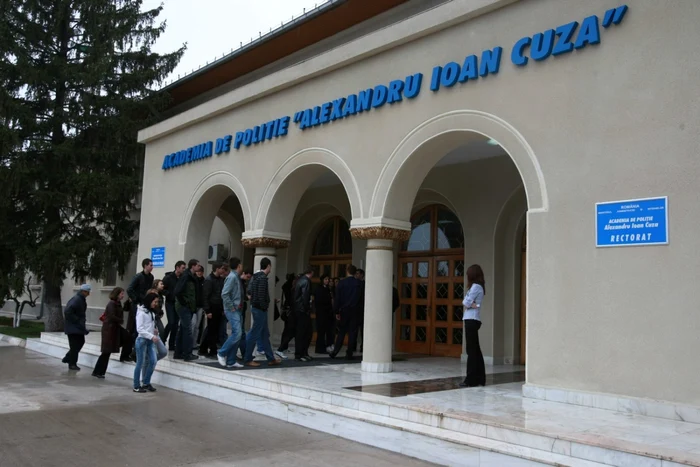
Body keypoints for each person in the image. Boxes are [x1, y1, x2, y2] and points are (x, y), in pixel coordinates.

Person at [243, 258, 281, 367]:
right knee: (254, 333)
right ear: (268, 266)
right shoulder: (262, 278)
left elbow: (250, 291)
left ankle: (271, 358)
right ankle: (248, 358)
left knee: (264, 334)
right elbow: (260, 295)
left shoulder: (255, 277)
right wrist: (265, 306)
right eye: (270, 266)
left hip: (257, 308)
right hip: (260, 309)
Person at [93, 287, 131, 378]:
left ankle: (99, 371)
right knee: (106, 352)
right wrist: (120, 320)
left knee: (127, 337)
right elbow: (111, 316)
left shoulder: (118, 303)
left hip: (115, 329)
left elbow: (122, 311)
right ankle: (98, 371)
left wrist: (128, 302)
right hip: (109, 330)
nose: (123, 295)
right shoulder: (111, 304)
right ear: (117, 294)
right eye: (121, 293)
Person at [330, 265, 364, 360]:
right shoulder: (359, 284)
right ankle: (349, 353)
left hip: (344, 311)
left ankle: (335, 351)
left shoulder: (342, 283)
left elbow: (338, 298)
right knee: (352, 332)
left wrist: (336, 311)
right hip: (355, 311)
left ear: (347, 271)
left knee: (342, 332)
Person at [460, 264, 486, 388]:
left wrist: (470, 303)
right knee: (475, 350)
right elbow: (467, 302)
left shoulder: (475, 287)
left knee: (471, 351)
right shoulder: (478, 287)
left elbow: (465, 302)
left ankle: (470, 379)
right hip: (473, 319)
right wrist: (470, 303)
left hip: (471, 320)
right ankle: (480, 378)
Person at [217, 258, 245, 368]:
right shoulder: (232, 277)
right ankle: (221, 353)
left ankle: (231, 360)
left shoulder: (236, 277)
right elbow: (224, 294)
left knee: (237, 334)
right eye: (241, 265)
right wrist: (231, 307)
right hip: (233, 309)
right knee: (237, 333)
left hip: (238, 309)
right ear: (238, 266)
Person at [133, 293, 161, 393]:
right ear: (150, 301)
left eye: (157, 302)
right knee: (140, 363)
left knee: (153, 360)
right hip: (142, 340)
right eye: (155, 302)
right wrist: (151, 336)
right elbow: (139, 329)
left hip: (150, 340)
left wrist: (154, 330)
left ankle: (146, 382)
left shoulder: (151, 312)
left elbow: (148, 325)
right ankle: (136, 385)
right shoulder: (141, 312)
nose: (156, 304)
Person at [174, 259, 200, 361]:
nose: (199, 267)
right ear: (193, 266)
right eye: (197, 265)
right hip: (184, 307)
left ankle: (178, 352)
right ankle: (187, 354)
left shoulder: (191, 277)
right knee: (188, 330)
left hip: (187, 307)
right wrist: (185, 303)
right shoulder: (186, 277)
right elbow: (177, 291)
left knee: (182, 330)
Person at [201, 262, 227, 357]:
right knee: (212, 330)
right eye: (222, 268)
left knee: (213, 329)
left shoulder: (220, 280)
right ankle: (212, 350)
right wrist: (207, 310)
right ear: (217, 269)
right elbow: (205, 296)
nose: (223, 270)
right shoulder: (209, 280)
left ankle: (203, 348)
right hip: (212, 307)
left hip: (218, 306)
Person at [62, 284, 91, 370]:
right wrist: (77, 320)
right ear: (83, 291)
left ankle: (68, 358)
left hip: (77, 327)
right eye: (87, 292)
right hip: (73, 327)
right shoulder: (77, 299)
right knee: (75, 346)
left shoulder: (80, 299)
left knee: (80, 342)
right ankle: (72, 364)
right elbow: (68, 312)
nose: (88, 294)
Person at [162, 261, 186, 350]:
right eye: (183, 268)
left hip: (178, 303)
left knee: (176, 324)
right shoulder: (168, 278)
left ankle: (172, 344)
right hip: (170, 303)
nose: (184, 270)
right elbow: (162, 289)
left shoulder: (183, 278)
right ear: (177, 268)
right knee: (171, 322)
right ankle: (162, 339)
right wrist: (170, 294)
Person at [293, 266, 314, 362]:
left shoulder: (299, 280)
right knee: (306, 333)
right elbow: (305, 296)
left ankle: (300, 353)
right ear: (311, 272)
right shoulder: (306, 281)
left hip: (298, 309)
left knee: (301, 333)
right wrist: (308, 308)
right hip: (303, 310)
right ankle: (301, 353)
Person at [276, 273, 296, 358]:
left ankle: (283, 347)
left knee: (287, 330)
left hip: (287, 310)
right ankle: (281, 348)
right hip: (290, 311)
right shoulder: (289, 288)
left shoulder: (285, 287)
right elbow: (290, 300)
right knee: (290, 330)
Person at [314, 274, 334, 354]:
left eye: (328, 279)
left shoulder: (327, 289)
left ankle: (324, 347)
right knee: (321, 331)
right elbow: (320, 301)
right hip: (322, 313)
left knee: (325, 331)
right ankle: (319, 348)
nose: (327, 281)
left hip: (327, 313)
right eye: (325, 279)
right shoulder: (319, 289)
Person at [192, 265, 205, 348]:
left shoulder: (205, 281)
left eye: (201, 271)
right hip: (193, 306)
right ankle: (189, 343)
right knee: (192, 325)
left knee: (197, 326)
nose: (199, 273)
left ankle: (194, 343)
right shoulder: (192, 280)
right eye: (198, 271)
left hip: (200, 306)